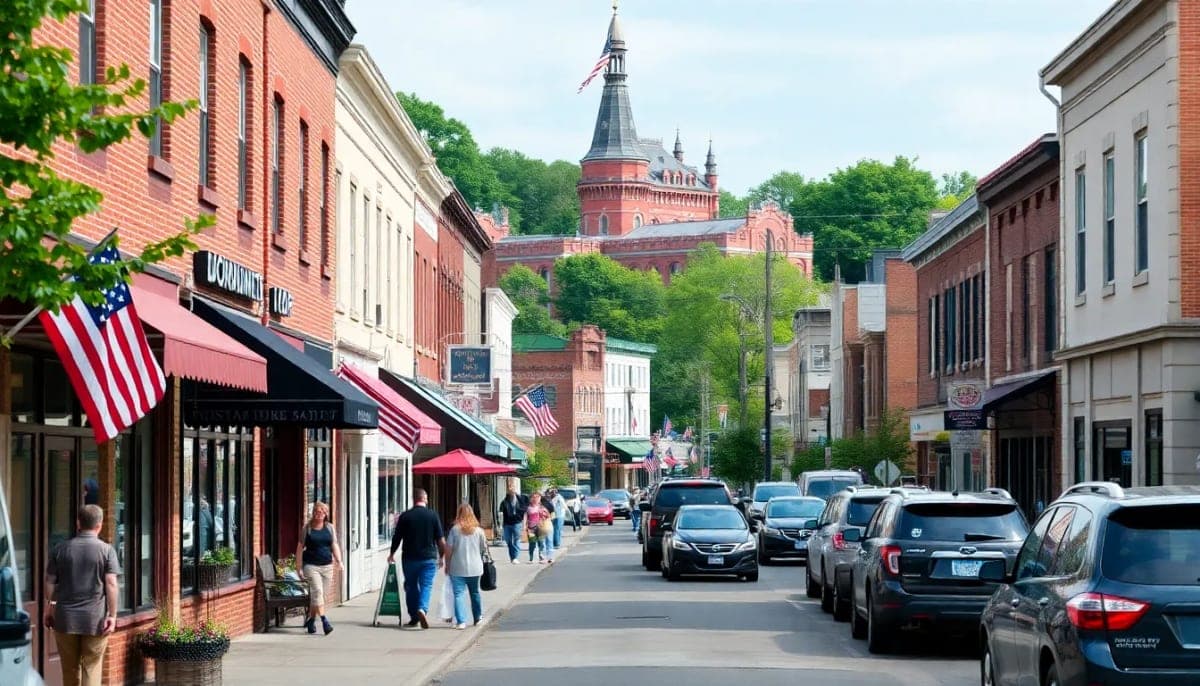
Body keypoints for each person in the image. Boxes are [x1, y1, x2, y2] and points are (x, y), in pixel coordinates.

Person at [43, 504, 119, 686]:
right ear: (99, 525)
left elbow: (49, 581)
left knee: (69, 670)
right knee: (91, 668)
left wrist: (50, 606)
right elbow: (111, 583)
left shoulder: (60, 549)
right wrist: (112, 615)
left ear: (78, 523)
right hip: (95, 620)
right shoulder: (107, 551)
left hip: (65, 618)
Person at [388, 489, 446, 629]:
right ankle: (422, 608)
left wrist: (391, 553)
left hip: (409, 558)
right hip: (428, 558)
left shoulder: (405, 516)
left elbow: (397, 537)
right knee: (426, 585)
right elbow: (440, 540)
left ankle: (414, 617)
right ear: (425, 499)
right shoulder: (432, 515)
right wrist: (442, 556)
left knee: (411, 586)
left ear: (414, 499)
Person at [296, 501, 342, 635]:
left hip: (327, 566)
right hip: (311, 566)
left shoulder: (330, 528)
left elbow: (334, 545)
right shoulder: (307, 528)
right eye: (316, 512)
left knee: (321, 596)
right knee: (317, 592)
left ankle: (311, 620)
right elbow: (300, 548)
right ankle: (324, 621)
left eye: (321, 512)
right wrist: (298, 567)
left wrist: (339, 561)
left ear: (325, 514)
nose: (318, 514)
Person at [444, 503, 488, 629]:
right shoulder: (479, 531)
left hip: (457, 567)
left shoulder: (455, 530)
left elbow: (449, 549)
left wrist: (447, 564)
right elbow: (483, 548)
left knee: (458, 594)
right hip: (475, 567)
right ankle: (478, 617)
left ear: (459, 514)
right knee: (475, 593)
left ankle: (461, 621)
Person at [498, 487, 526, 564]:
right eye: (510, 492)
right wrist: (500, 524)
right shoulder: (504, 502)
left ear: (515, 492)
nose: (511, 493)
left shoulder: (520, 500)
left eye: (512, 491)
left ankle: (515, 557)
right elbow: (500, 513)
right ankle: (512, 557)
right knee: (508, 540)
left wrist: (521, 519)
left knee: (516, 540)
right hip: (507, 523)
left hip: (517, 522)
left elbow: (524, 510)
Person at [524, 493, 552, 564]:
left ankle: (542, 557)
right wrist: (524, 526)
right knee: (532, 543)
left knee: (541, 543)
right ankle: (531, 558)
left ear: (540, 499)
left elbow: (549, 516)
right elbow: (525, 517)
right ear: (530, 499)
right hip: (531, 529)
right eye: (533, 497)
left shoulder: (542, 507)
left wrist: (544, 516)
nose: (535, 499)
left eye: (537, 497)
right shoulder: (528, 508)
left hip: (541, 528)